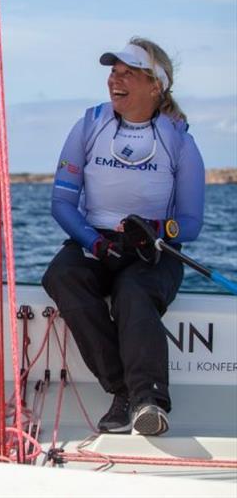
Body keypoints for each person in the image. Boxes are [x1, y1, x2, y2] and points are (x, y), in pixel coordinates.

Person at [42, 37, 205, 436]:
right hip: (96, 240)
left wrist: (156, 231)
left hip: (153, 249)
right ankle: (123, 392)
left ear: (155, 85)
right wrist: (95, 243)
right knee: (61, 276)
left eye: (128, 73)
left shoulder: (179, 140)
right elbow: (62, 202)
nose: (116, 79)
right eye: (114, 72)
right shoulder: (89, 125)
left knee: (134, 293)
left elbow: (191, 221)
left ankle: (149, 400)